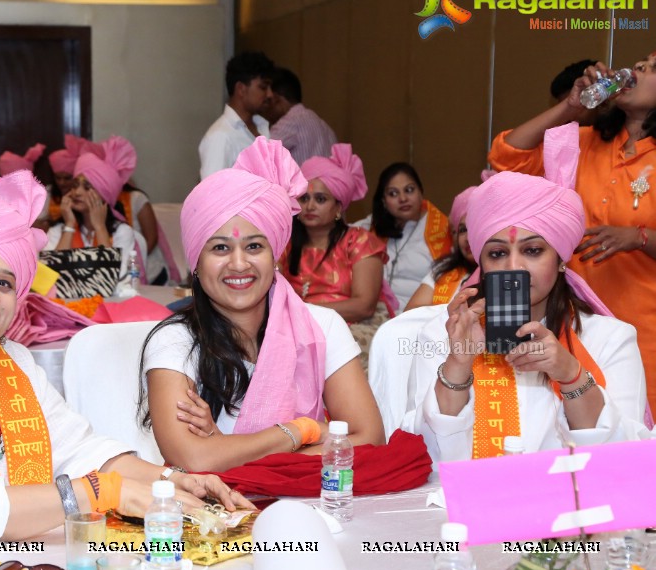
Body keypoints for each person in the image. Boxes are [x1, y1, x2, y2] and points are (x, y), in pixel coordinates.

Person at [0, 170, 250, 546]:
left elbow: (81, 451)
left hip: (15, 559)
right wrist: (101, 493)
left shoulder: (11, 360)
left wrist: (171, 481)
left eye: (4, 282)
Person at [402, 124, 650, 466]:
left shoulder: (610, 338)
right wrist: (459, 364)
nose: (513, 267)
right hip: (466, 511)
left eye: (533, 251)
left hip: (568, 512)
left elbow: (626, 460)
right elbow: (424, 459)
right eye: (497, 253)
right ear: (481, 262)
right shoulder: (445, 335)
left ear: (561, 259)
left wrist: (571, 374)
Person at [140, 137, 385, 473]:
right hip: (214, 517)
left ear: (275, 257)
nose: (239, 264)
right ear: (195, 262)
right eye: (220, 249)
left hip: (308, 509)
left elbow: (369, 439)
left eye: (254, 246)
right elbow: (193, 458)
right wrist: (302, 431)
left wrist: (225, 449)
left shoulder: (321, 327)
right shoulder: (175, 342)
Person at [489, 53, 656, 413]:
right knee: (569, 418)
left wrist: (639, 238)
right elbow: (507, 157)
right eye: (640, 63)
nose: (638, 69)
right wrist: (570, 106)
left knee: (630, 431)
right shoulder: (584, 142)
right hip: (570, 315)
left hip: (644, 321)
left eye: (653, 68)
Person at [279, 144, 390, 368]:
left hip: (353, 326)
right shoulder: (285, 244)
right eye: (304, 198)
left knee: (329, 350)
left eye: (320, 199)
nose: (310, 206)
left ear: (339, 208)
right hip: (296, 325)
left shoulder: (359, 241)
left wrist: (304, 309)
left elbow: (364, 306)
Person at [45, 135, 146, 280]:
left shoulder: (121, 232)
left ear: (104, 194)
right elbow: (49, 278)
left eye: (87, 187)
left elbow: (117, 278)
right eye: (75, 186)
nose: (77, 192)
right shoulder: (59, 229)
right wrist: (69, 226)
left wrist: (99, 227)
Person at [354, 162, 451, 309]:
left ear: (421, 192)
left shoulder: (444, 229)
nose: (403, 198)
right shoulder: (371, 226)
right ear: (384, 202)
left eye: (409, 190)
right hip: (377, 313)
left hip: (418, 315)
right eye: (393, 193)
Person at [198, 51, 275, 179]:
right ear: (241, 89)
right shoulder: (220, 136)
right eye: (263, 87)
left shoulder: (262, 127)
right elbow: (212, 194)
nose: (270, 94)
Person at [404, 184, 479, 310]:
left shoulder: (504, 271)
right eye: (462, 230)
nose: (467, 238)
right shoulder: (444, 270)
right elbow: (410, 313)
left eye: (474, 227)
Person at [265, 67, 337, 164]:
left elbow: (260, 156)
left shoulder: (291, 121)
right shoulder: (326, 128)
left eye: (268, 101)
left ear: (276, 99)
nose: (265, 109)